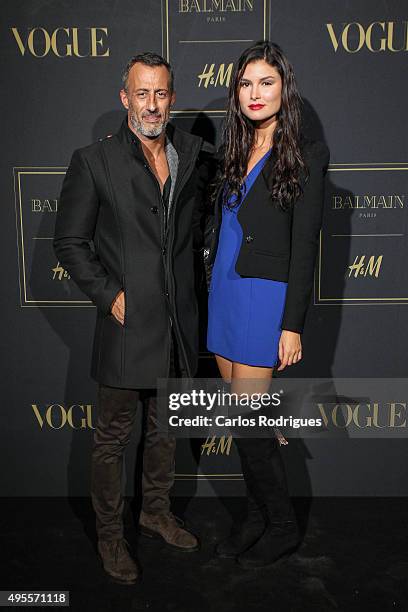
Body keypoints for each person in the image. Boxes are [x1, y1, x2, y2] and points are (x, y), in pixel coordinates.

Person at [54, 52, 210, 584]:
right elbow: (69, 242)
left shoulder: (192, 153)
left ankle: (155, 512)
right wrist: (108, 294)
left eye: (161, 93)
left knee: (166, 429)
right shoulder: (93, 161)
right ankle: (111, 536)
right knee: (113, 438)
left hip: (178, 327)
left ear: (173, 98)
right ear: (125, 98)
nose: (152, 104)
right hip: (125, 324)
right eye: (141, 93)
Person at [205, 40, 329, 569]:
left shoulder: (305, 152)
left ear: (284, 88)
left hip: (265, 296)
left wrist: (292, 325)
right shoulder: (233, 149)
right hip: (226, 293)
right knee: (241, 420)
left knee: (251, 419)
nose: (254, 93)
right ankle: (257, 515)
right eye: (246, 83)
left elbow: (305, 250)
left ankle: (281, 525)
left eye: (266, 82)